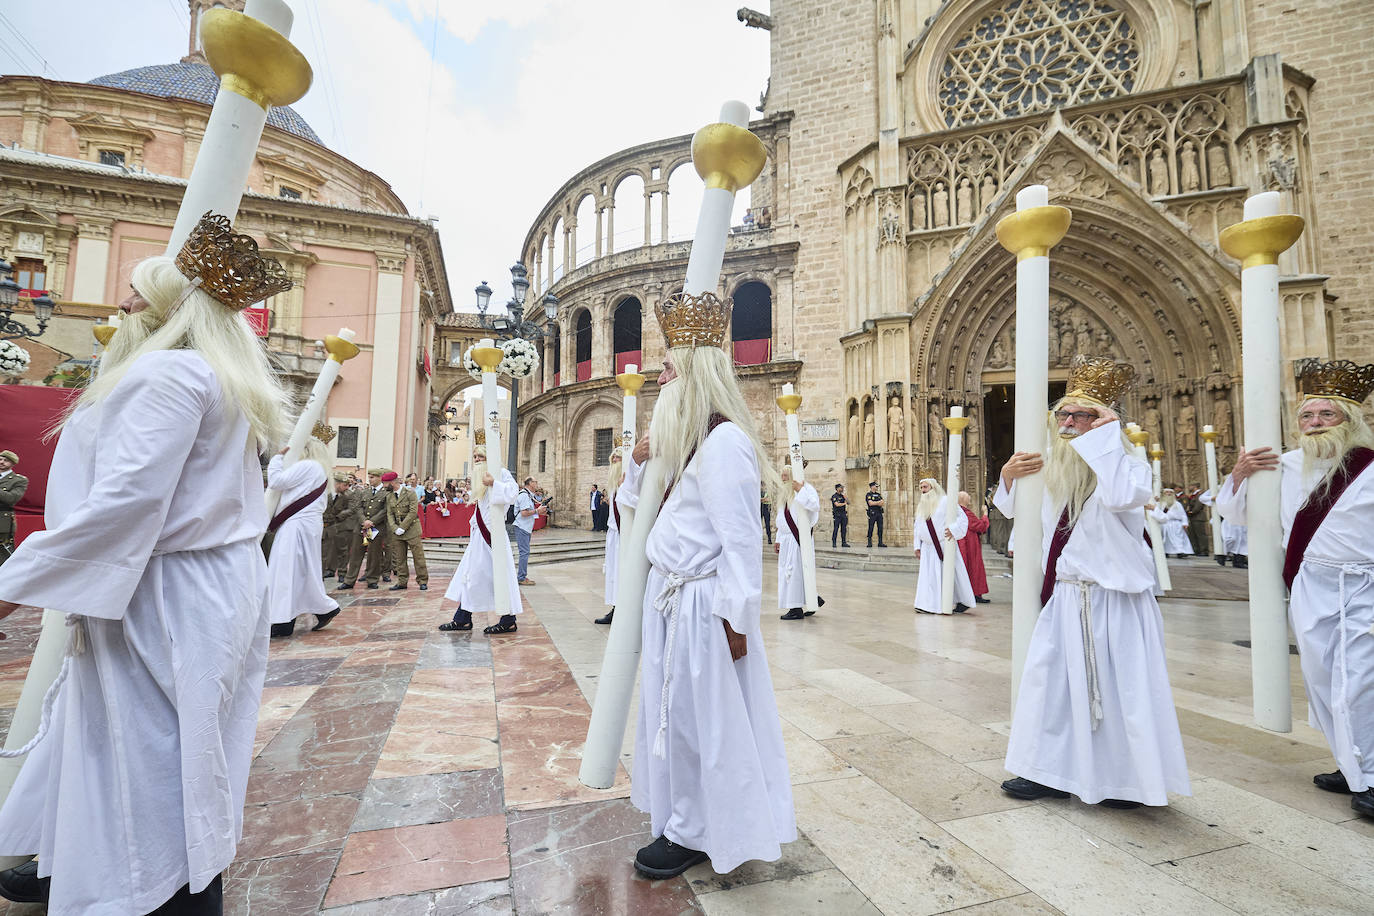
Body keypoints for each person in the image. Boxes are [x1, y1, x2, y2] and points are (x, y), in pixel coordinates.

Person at [0, 212, 294, 913]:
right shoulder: (217, 379)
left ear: (165, 308)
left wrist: (12, 586)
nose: (122, 304)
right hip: (208, 585)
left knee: (153, 751)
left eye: (135, 292)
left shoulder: (166, 373)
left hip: (162, 590)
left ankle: (162, 891)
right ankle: (76, 858)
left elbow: (123, 506)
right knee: (181, 740)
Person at [617, 292, 794, 879]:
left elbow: (741, 541)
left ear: (689, 377)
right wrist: (641, 461)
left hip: (703, 606)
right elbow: (636, 513)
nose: (657, 378)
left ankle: (696, 828)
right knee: (676, 714)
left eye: (667, 369)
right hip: (673, 601)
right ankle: (685, 815)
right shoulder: (683, 446)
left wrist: (735, 619)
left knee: (700, 721)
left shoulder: (723, 444)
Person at [994, 355, 1190, 809]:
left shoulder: (1128, 465)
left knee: (1123, 694)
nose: (1069, 423)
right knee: (1051, 685)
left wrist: (1107, 434)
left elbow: (1123, 496)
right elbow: (1012, 512)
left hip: (1115, 598)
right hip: (1066, 595)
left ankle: (1126, 781)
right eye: (1063, 414)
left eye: (1083, 415)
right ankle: (1047, 771)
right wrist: (1006, 477)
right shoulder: (1049, 469)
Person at [1217, 359, 1374, 818]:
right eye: (1307, 415)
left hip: (1363, 583)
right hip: (1310, 585)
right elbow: (1235, 512)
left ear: (1350, 420)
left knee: (1360, 681)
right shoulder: (1281, 466)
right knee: (1323, 680)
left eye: (1327, 415)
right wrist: (1242, 472)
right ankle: (1352, 764)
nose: (1315, 423)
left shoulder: (1368, 467)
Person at [438, 437, 521, 634]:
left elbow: (512, 493)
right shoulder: (479, 476)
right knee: (470, 576)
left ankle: (507, 619)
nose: (476, 459)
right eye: (474, 456)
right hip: (479, 538)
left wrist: (494, 483)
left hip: (494, 538)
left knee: (497, 577)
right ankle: (463, 618)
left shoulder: (501, 473)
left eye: (480, 456)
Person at [265, 438, 341, 637]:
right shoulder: (318, 468)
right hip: (303, 523)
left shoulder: (309, 465)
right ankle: (323, 608)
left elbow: (276, 482)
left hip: (297, 524)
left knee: (285, 571)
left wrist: (277, 459)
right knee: (301, 571)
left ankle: (282, 620)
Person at [912, 478, 974, 614]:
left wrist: (954, 530)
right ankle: (927, 604)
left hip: (944, 545)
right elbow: (917, 526)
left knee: (952, 575)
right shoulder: (922, 505)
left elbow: (962, 518)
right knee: (928, 578)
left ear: (933, 487)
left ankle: (962, 601)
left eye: (925, 487)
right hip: (927, 548)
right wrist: (917, 546)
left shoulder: (945, 501)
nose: (923, 490)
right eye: (921, 487)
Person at [775, 463, 820, 620]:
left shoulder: (806, 488)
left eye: (786, 475)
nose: (783, 478)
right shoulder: (785, 493)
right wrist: (778, 539)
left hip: (798, 538)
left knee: (794, 573)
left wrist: (800, 490)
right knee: (791, 573)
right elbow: (782, 518)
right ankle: (812, 599)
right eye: (782, 475)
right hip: (787, 539)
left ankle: (796, 609)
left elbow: (814, 506)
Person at [385, 470, 429, 591]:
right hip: (397, 532)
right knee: (400, 558)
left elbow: (413, 512)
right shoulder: (389, 496)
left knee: (418, 557)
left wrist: (402, 527)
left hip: (412, 529)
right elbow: (389, 514)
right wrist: (395, 528)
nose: (384, 486)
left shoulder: (409, 492)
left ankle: (422, 581)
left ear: (393, 482)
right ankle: (402, 581)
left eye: (385, 483)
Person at [596, 449, 626, 626]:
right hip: (613, 533)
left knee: (621, 572)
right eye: (612, 458)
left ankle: (622, 609)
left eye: (618, 457)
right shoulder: (615, 484)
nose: (614, 460)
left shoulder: (627, 481)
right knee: (614, 573)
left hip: (623, 535)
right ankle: (616, 607)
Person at [358, 468, 392, 589]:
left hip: (379, 527)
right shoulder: (365, 492)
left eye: (372, 477)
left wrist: (372, 521)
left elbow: (385, 510)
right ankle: (369, 573)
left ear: (379, 478)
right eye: (369, 477)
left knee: (377, 552)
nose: (370, 479)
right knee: (371, 551)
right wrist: (364, 521)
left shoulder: (386, 493)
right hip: (367, 527)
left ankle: (375, 577)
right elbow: (359, 507)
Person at [321, 471, 359, 580]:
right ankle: (322, 574)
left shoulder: (346, 495)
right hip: (322, 525)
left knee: (342, 550)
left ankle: (342, 573)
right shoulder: (323, 494)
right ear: (336, 484)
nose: (347, 487)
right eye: (345, 485)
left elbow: (352, 508)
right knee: (323, 553)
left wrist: (339, 516)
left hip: (337, 525)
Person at [957, 490, 991, 603]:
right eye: (968, 497)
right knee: (974, 568)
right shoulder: (965, 513)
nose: (970, 499)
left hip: (963, 544)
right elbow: (981, 526)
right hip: (970, 546)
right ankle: (974, 594)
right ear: (964, 500)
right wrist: (985, 514)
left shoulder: (957, 512)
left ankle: (971, 594)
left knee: (968, 569)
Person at [513, 476, 545, 586]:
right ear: (530, 483)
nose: (537, 484)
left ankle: (522, 576)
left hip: (525, 527)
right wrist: (537, 510)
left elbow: (528, 512)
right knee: (524, 553)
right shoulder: (524, 496)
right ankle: (521, 577)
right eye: (535, 482)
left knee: (525, 552)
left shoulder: (528, 495)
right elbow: (524, 513)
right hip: (522, 527)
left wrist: (538, 512)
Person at [0, 449, 27, 565]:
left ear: (13, 463)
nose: (1, 462)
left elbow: (11, 498)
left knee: (3, 552)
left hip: (2, 519)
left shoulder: (19, 480)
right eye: (0, 459)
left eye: (6, 460)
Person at [1150, 488, 1193, 558]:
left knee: (1178, 539)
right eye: (1167, 492)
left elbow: (1183, 515)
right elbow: (1155, 510)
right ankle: (1165, 551)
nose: (1169, 494)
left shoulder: (1177, 504)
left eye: (1170, 492)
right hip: (1164, 524)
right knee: (1165, 539)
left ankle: (1180, 552)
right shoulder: (1160, 504)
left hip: (1175, 524)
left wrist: (1185, 523)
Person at [865, 481, 886, 547]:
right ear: (872, 487)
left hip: (879, 513)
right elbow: (870, 503)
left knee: (880, 527)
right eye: (876, 486)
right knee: (871, 527)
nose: (877, 487)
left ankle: (880, 542)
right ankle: (869, 542)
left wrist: (875, 502)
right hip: (872, 513)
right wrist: (878, 502)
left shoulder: (878, 494)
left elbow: (882, 502)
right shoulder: (869, 494)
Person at [830, 483, 850, 548]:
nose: (842, 489)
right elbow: (837, 504)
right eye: (841, 488)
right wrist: (844, 503)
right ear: (837, 488)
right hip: (837, 515)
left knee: (844, 529)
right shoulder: (834, 496)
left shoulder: (843, 496)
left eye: (842, 488)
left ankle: (844, 542)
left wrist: (845, 497)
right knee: (836, 528)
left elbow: (849, 502)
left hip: (843, 514)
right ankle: (834, 542)